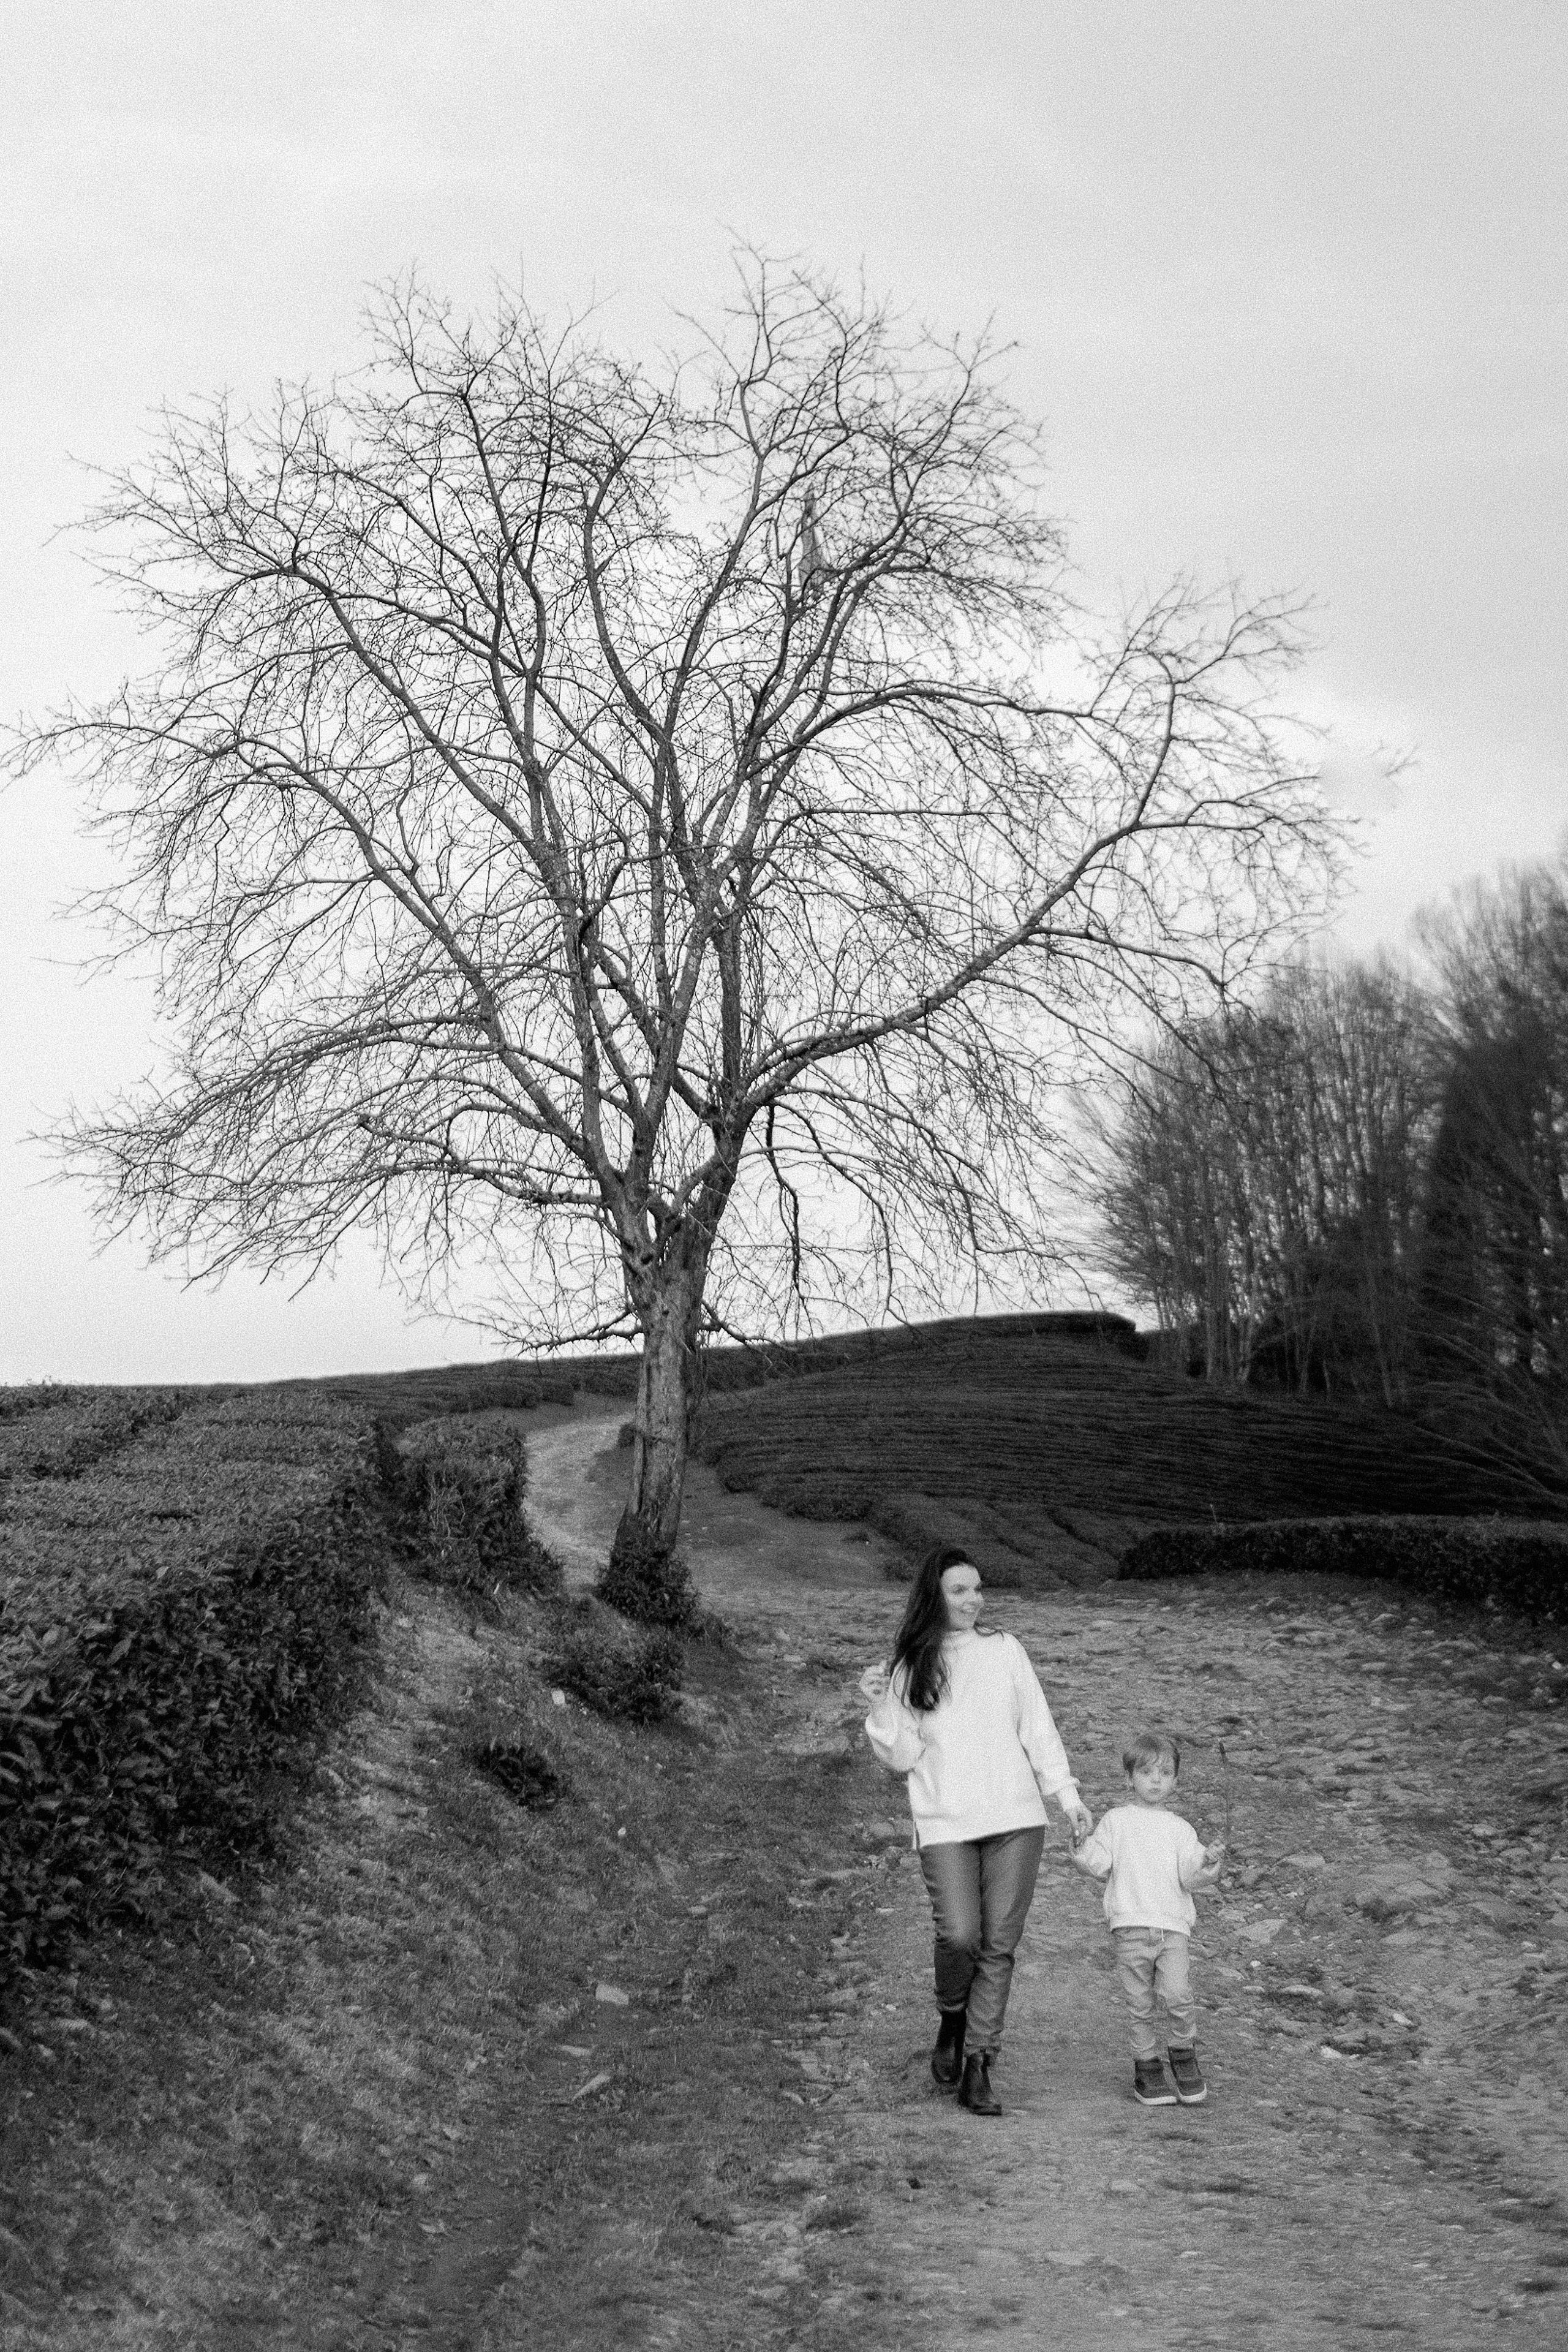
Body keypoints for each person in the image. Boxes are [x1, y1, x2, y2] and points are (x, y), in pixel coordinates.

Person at [859, 1545, 1092, 2117]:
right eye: (959, 1590)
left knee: (998, 1946)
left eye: (978, 1589)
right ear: (934, 1595)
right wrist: (882, 1704)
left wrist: (1069, 1797)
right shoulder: (910, 1663)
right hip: (945, 1820)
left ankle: (980, 2065)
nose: (973, 1599)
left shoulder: (1006, 1649)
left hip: (1016, 1817)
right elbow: (903, 1755)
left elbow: (1038, 1728)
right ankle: (952, 2017)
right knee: (960, 1935)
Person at [1069, 1727, 1226, 2106]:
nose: (1156, 1781)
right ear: (1129, 1778)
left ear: (1176, 1779)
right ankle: (1147, 2069)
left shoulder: (1180, 1829)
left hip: (1172, 1930)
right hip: (1130, 1929)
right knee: (1139, 2002)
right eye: (1146, 1773)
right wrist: (1080, 1843)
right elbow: (1099, 1862)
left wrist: (1208, 1862)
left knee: (1177, 1994)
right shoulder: (1116, 1821)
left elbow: (1191, 1877)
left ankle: (1184, 2056)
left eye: (1165, 1773)